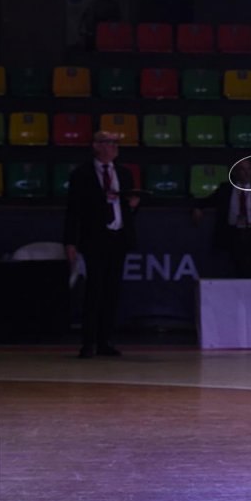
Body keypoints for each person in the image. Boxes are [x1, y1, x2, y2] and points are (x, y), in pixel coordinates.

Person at [64, 130, 139, 358]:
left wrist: (133, 205)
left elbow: (127, 207)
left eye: (116, 142)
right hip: (95, 239)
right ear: (96, 145)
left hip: (118, 237)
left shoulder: (124, 173)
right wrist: (70, 241)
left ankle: (106, 340)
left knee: (112, 291)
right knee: (94, 290)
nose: (114, 146)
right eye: (108, 142)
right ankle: (88, 342)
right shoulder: (82, 174)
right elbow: (73, 211)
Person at [193, 159, 251, 278]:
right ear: (235, 172)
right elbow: (206, 201)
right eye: (242, 169)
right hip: (231, 234)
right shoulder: (225, 190)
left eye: (248, 169)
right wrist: (197, 208)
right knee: (231, 271)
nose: (246, 173)